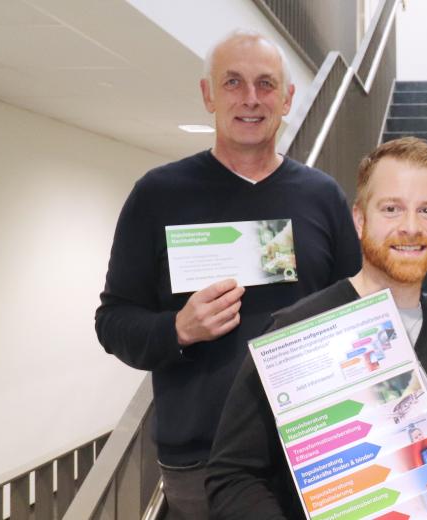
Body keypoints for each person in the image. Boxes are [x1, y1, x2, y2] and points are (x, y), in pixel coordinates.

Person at [94, 30, 361, 519]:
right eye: (234, 82)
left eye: (265, 84)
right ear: (208, 94)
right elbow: (112, 321)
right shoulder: (158, 195)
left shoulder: (322, 197)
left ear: (287, 98)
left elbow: (355, 311)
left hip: (310, 451)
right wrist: (177, 329)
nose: (251, 99)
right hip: (201, 461)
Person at [207, 138, 427, 520]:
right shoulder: (297, 331)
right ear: (360, 219)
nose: (411, 227)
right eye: (392, 208)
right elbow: (232, 475)